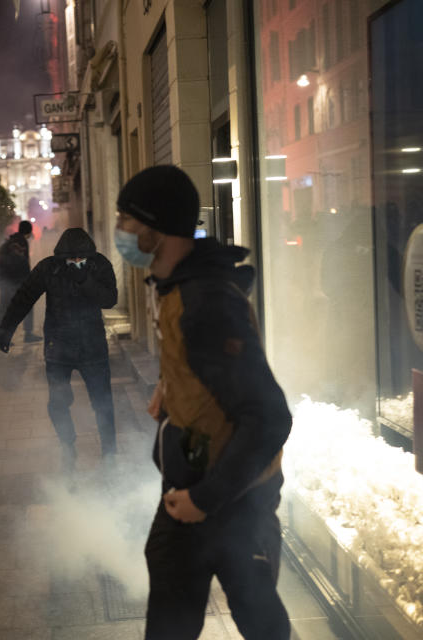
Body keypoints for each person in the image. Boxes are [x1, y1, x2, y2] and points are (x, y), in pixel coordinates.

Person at [113, 166, 292, 640]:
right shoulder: (175, 286)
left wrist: (204, 500)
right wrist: (171, 387)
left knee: (260, 620)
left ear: (157, 228)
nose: (121, 232)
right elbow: (203, 367)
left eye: (128, 221)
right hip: (192, 485)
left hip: (230, 497)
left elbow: (269, 417)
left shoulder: (205, 302)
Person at [0, 228, 118, 470]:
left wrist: (85, 281)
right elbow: (24, 296)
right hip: (58, 347)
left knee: (102, 402)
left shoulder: (99, 265)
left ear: (88, 255)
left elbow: (109, 299)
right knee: (58, 402)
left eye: (79, 259)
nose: (74, 263)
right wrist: (6, 328)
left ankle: (110, 452)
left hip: (92, 347)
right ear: (61, 256)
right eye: (70, 259)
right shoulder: (49, 268)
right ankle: (67, 444)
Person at [0, 219, 41, 346]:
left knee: (5, 308)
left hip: (6, 280)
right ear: (28, 232)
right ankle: (27, 334)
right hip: (14, 281)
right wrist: (28, 280)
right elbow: (21, 263)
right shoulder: (21, 242)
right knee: (26, 306)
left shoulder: (11, 241)